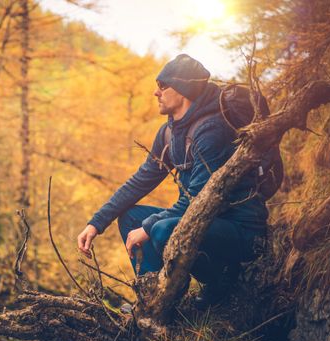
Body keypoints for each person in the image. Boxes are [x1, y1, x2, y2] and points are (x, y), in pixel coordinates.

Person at [77, 54, 268, 307]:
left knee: (161, 229)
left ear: (184, 89)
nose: (156, 93)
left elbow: (200, 201)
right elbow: (140, 181)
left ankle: (221, 281)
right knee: (131, 217)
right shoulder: (169, 132)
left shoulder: (211, 130)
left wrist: (147, 228)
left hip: (240, 231)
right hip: (205, 219)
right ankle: (154, 299)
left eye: (162, 86)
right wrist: (96, 223)